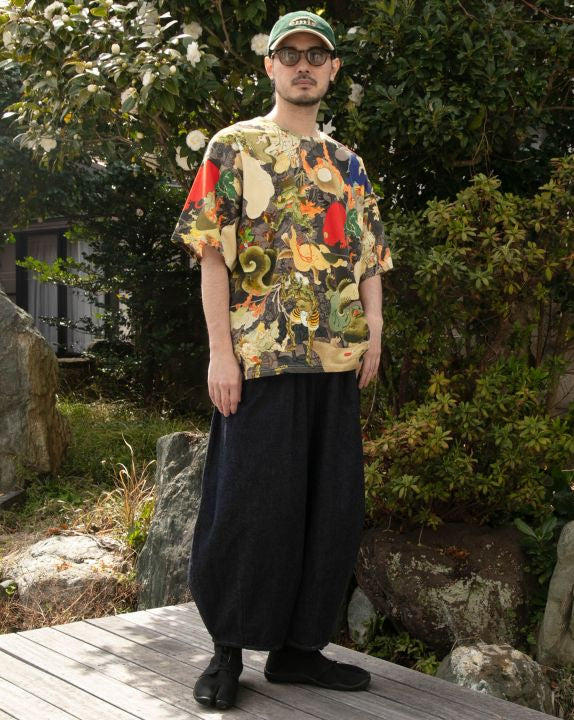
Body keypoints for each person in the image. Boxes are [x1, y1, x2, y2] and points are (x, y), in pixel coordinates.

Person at [170, 10, 393, 711]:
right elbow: (212, 255)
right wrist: (220, 354)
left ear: (332, 70)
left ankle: (299, 650)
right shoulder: (234, 147)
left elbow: (368, 257)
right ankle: (228, 650)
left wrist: (375, 330)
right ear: (270, 65)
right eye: (289, 54)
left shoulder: (348, 163)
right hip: (260, 359)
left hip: (336, 359)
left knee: (330, 509)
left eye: (315, 55)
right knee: (249, 506)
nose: (303, 65)